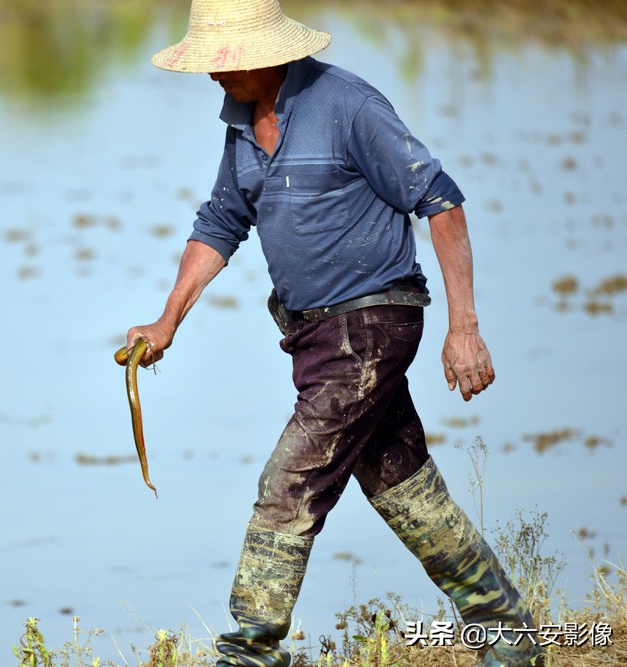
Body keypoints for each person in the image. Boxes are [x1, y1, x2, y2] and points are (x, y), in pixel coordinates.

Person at [120, 1, 543, 666]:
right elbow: (221, 222)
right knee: (406, 491)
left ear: (267, 52)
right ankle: (513, 637)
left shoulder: (347, 105)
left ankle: (250, 651)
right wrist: (167, 318)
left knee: (289, 483)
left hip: (371, 324)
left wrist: (464, 325)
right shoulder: (238, 125)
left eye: (223, 61)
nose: (212, 75)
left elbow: (441, 199)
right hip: (316, 341)